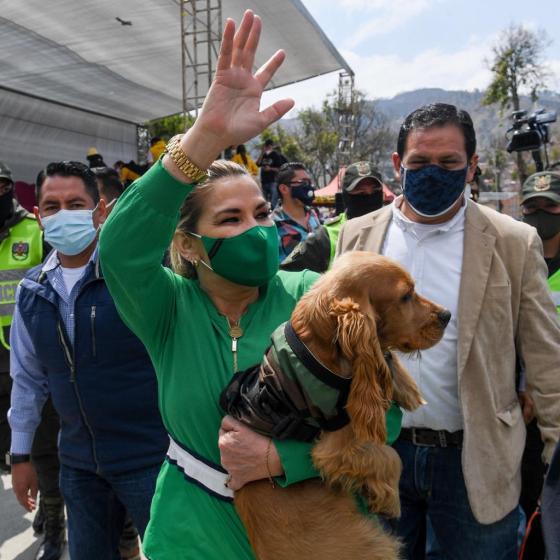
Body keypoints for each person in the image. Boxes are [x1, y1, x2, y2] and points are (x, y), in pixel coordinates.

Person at [98, 12, 383, 559]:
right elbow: (120, 248)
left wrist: (283, 460)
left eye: (261, 213)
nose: (255, 230)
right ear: (188, 245)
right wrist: (202, 139)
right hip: (193, 533)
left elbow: (382, 414)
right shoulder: (167, 308)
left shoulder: (312, 295)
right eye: (229, 220)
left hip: (316, 529)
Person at [336, 102, 560, 560]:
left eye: (448, 163)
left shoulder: (512, 241)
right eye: (419, 163)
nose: (432, 173)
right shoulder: (358, 236)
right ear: (398, 165)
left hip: (474, 463)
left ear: (472, 166)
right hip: (381, 453)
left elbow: (546, 359)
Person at [8, 161, 167, 560]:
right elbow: (27, 381)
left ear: (100, 211)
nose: (62, 214)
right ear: (39, 217)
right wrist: (21, 455)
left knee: (173, 552)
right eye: (51, 206)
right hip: (78, 465)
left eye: (75, 203)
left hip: (151, 459)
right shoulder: (32, 294)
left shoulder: (135, 278)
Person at [519, 170, 560, 557]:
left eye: (550, 206)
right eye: (532, 206)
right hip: (524, 412)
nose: (540, 214)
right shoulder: (514, 261)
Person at [281, 161, 384, 273]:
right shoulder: (325, 236)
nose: (370, 196)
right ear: (346, 196)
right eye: (361, 192)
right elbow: (286, 272)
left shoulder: (396, 228)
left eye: (375, 191)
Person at [272, 162, 321, 263]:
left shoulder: (313, 215)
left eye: (309, 182)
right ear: (284, 189)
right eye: (303, 182)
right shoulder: (272, 225)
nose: (309, 187)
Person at [256, 139, 286, 208]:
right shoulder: (263, 155)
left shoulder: (275, 155)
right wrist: (262, 153)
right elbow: (257, 164)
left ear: (271, 146)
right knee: (265, 201)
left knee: (274, 200)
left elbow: (280, 168)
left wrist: (270, 169)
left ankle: (273, 211)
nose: (267, 148)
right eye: (266, 146)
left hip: (273, 181)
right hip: (264, 181)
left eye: (269, 146)